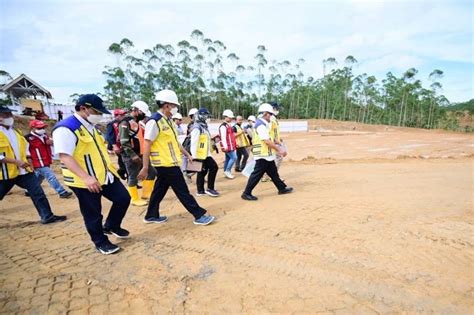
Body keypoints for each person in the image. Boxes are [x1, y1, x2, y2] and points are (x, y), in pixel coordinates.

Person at [52, 94, 131, 255]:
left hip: (104, 174)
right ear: (83, 108)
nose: (99, 115)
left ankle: (111, 225)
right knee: (93, 213)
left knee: (123, 198)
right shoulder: (66, 128)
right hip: (84, 180)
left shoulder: (89, 126)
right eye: (96, 111)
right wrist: (86, 177)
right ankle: (100, 242)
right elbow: (65, 156)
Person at [138, 89, 215, 226]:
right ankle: (198, 215)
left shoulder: (168, 121)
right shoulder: (154, 121)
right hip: (164, 163)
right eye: (174, 106)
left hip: (171, 162)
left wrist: (187, 154)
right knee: (182, 190)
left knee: (159, 190)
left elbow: (175, 142)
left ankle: (151, 215)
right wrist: (145, 167)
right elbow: (147, 143)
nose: (176, 108)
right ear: (167, 105)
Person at [0, 105, 67, 224]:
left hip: (24, 171)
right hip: (6, 172)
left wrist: (29, 160)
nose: (10, 117)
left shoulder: (15, 131)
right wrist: (17, 162)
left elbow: (25, 147)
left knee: (37, 192)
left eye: (10, 114)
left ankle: (47, 216)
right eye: (6, 115)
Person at [241, 103, 293, 201]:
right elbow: (267, 141)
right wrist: (280, 150)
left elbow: (270, 138)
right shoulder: (260, 125)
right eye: (271, 114)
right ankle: (246, 193)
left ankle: (281, 188)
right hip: (262, 154)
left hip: (267, 154)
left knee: (273, 173)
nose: (272, 116)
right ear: (265, 114)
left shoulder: (264, 124)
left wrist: (278, 143)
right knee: (256, 175)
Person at [118, 101, 155, 206]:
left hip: (140, 154)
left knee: (152, 172)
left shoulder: (136, 122)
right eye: (142, 113)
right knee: (133, 176)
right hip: (130, 155)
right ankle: (134, 199)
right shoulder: (125, 123)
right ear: (136, 110)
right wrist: (132, 155)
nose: (143, 116)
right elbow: (124, 142)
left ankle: (146, 195)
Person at [26, 120, 73, 199]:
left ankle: (29, 190)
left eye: (43, 127)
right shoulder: (28, 138)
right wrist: (30, 164)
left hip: (46, 160)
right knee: (51, 176)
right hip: (37, 162)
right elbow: (26, 152)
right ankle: (62, 192)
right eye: (39, 128)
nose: (42, 129)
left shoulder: (45, 136)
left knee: (39, 177)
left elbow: (55, 143)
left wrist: (51, 142)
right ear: (33, 128)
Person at [190, 108, 219, 197]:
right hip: (200, 155)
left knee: (202, 171)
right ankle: (210, 188)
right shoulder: (197, 128)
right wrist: (194, 156)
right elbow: (194, 142)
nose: (208, 118)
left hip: (205, 154)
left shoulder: (203, 127)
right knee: (213, 167)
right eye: (206, 116)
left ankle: (200, 190)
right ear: (201, 116)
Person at [262, 101, 285, 182]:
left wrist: (279, 138)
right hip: (273, 142)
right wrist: (275, 140)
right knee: (278, 158)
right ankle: (274, 176)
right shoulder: (271, 118)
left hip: (274, 140)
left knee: (271, 159)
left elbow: (274, 131)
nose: (277, 110)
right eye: (276, 108)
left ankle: (266, 176)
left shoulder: (273, 118)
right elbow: (269, 131)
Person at [105, 109, 127, 180]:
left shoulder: (124, 123)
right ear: (116, 116)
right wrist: (114, 145)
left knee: (125, 161)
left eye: (124, 115)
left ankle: (124, 173)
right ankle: (121, 171)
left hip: (124, 144)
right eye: (121, 115)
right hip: (117, 145)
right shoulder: (111, 124)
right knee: (123, 161)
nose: (123, 116)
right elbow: (109, 136)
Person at [219, 109, 237, 179]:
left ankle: (225, 171)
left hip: (230, 145)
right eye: (230, 117)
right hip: (228, 146)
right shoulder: (223, 126)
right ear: (225, 117)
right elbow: (223, 137)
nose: (231, 119)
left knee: (228, 158)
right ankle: (227, 171)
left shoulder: (228, 125)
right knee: (234, 158)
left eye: (231, 118)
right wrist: (225, 146)